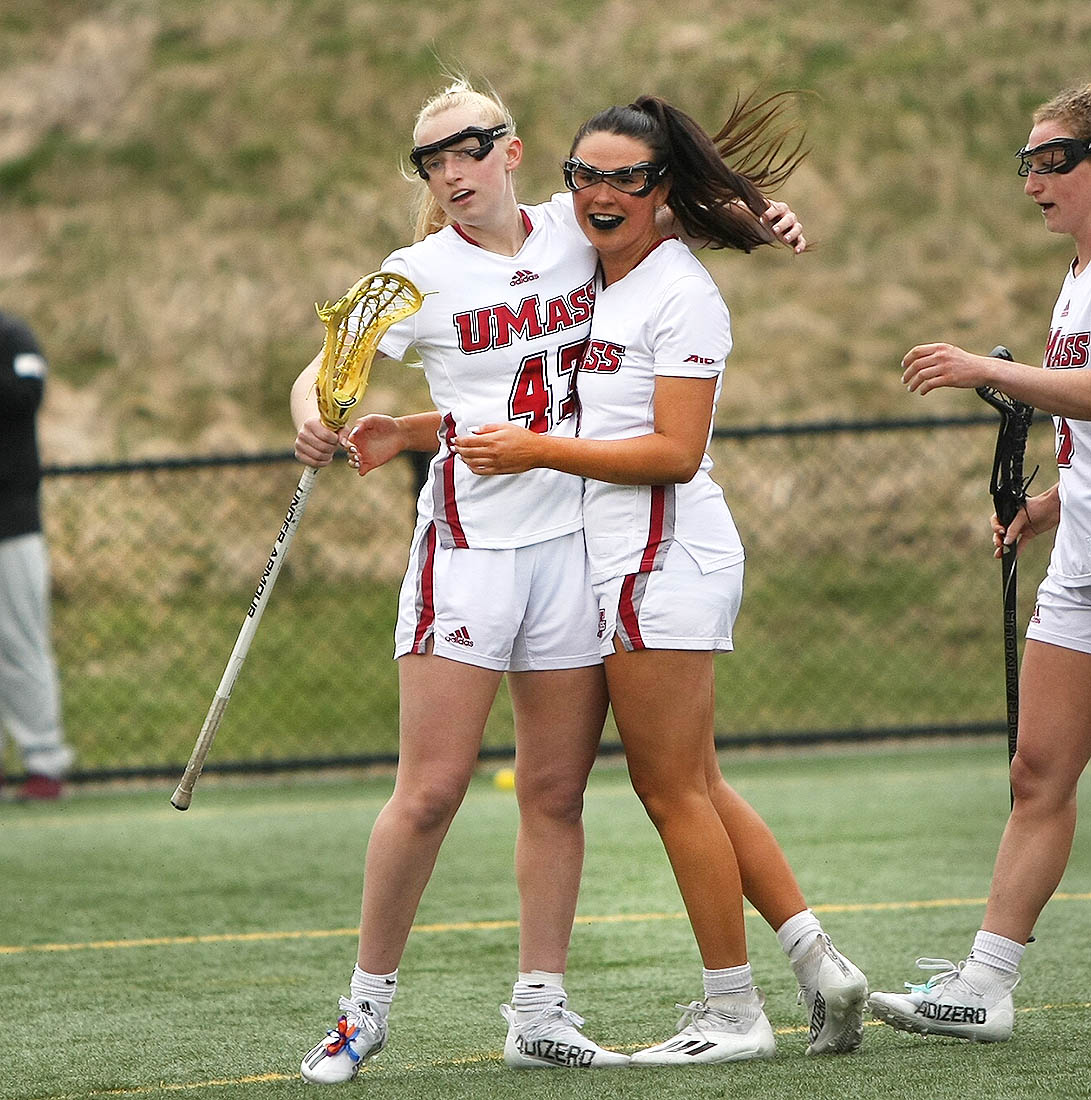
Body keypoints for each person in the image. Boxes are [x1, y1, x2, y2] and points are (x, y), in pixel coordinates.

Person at [452, 95, 868, 1064]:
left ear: (661, 189)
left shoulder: (679, 291)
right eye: (584, 175)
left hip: (660, 554)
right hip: (624, 556)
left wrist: (536, 450)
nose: (600, 194)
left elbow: (676, 453)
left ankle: (732, 1012)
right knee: (699, 783)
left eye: (627, 178)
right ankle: (819, 965)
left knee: (670, 789)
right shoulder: (592, 257)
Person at [867, 83, 1091, 1042]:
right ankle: (985, 986)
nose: (1033, 180)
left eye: (1053, 160)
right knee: (1036, 771)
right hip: (1080, 565)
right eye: (1025, 163)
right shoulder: (1075, 278)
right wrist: (1046, 508)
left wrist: (986, 369)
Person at [0, 309, 75, 801]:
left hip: (12, 521)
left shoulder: (11, 334)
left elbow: (28, 395)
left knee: (22, 643)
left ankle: (44, 764)